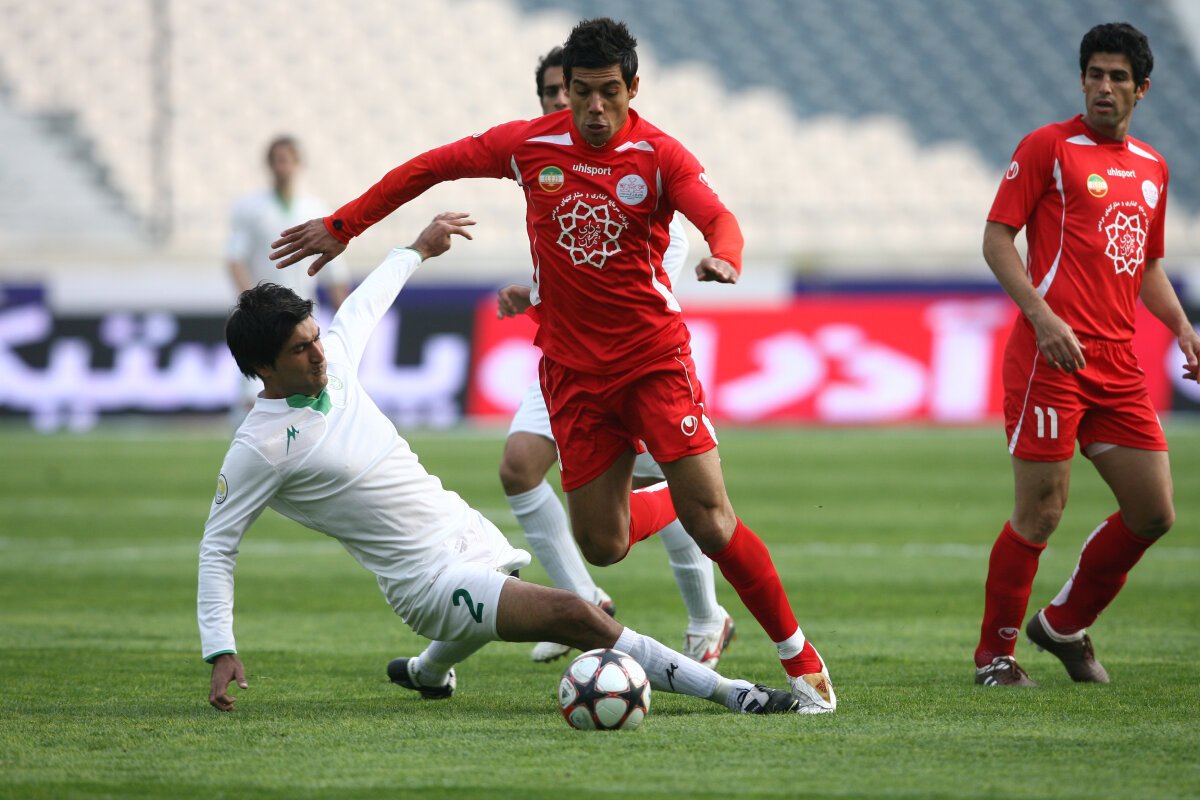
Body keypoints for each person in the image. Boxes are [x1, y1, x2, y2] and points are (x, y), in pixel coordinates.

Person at [270, 18, 835, 712]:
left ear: (633, 89)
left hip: (653, 363)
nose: (594, 109)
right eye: (581, 93)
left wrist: (727, 257)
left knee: (714, 523)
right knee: (602, 546)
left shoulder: (660, 157)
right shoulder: (528, 145)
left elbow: (719, 218)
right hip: (572, 377)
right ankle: (674, 501)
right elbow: (432, 166)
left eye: (608, 93)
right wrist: (344, 224)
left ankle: (803, 664)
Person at [198, 211, 803, 718]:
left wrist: (418, 248)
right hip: (427, 584)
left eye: (314, 337)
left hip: (463, 530)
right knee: (575, 615)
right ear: (264, 369)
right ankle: (733, 693)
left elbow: (365, 303)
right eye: (300, 349)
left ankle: (427, 673)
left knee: (496, 600)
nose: (318, 353)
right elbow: (218, 547)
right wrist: (220, 647)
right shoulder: (259, 448)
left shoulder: (333, 360)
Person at [974, 22, 1200, 687]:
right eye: (1095, 75)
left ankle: (1062, 624)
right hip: (1051, 358)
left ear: (1141, 89)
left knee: (1153, 512)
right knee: (1041, 511)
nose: (1105, 87)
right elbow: (996, 239)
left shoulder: (1152, 167)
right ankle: (994, 656)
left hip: (1118, 362)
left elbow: (1145, 264)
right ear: (1082, 80)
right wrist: (1042, 318)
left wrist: (1182, 327)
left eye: (1118, 77)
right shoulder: (1048, 147)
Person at [499, 45, 734, 666]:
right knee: (519, 466)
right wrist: (533, 295)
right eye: (557, 93)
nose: (568, 104)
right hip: (565, 358)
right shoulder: (544, 161)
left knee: (660, 484)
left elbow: (624, 285)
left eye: (574, 91)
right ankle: (581, 603)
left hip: (634, 363)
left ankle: (706, 616)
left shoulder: (645, 174)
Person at [226, 135, 351, 424]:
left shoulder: (314, 208)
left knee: (307, 394)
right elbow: (235, 260)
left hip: (303, 318)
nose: (283, 166)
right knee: (254, 397)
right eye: (277, 160)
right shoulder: (250, 208)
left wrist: (345, 313)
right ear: (269, 165)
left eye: (287, 160)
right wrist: (252, 307)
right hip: (264, 318)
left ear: (298, 163)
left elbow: (334, 271)